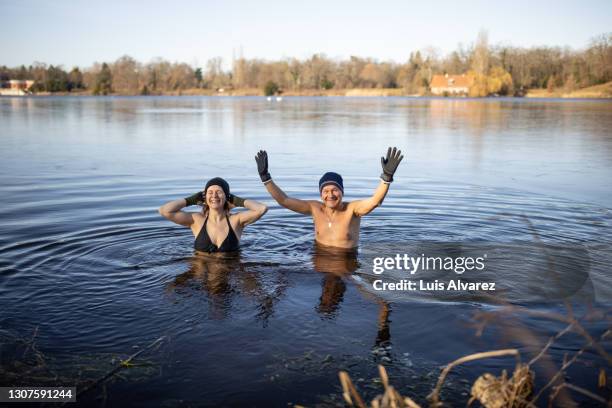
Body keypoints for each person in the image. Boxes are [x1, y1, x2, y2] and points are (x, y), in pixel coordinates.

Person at [254, 147, 403, 249]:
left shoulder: (352, 210)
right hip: (319, 257)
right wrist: (265, 177)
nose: (330, 195)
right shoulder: (315, 208)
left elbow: (376, 201)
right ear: (321, 194)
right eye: (325, 191)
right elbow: (283, 201)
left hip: (346, 261)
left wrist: (386, 178)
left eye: (335, 190)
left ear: (342, 192)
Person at [159, 177, 267, 253]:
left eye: (219, 192)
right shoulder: (196, 220)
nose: (214, 196)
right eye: (210, 192)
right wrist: (190, 200)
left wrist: (237, 201)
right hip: (200, 278)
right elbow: (164, 211)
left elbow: (262, 209)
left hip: (230, 276)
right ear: (204, 197)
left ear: (227, 197)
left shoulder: (236, 221)